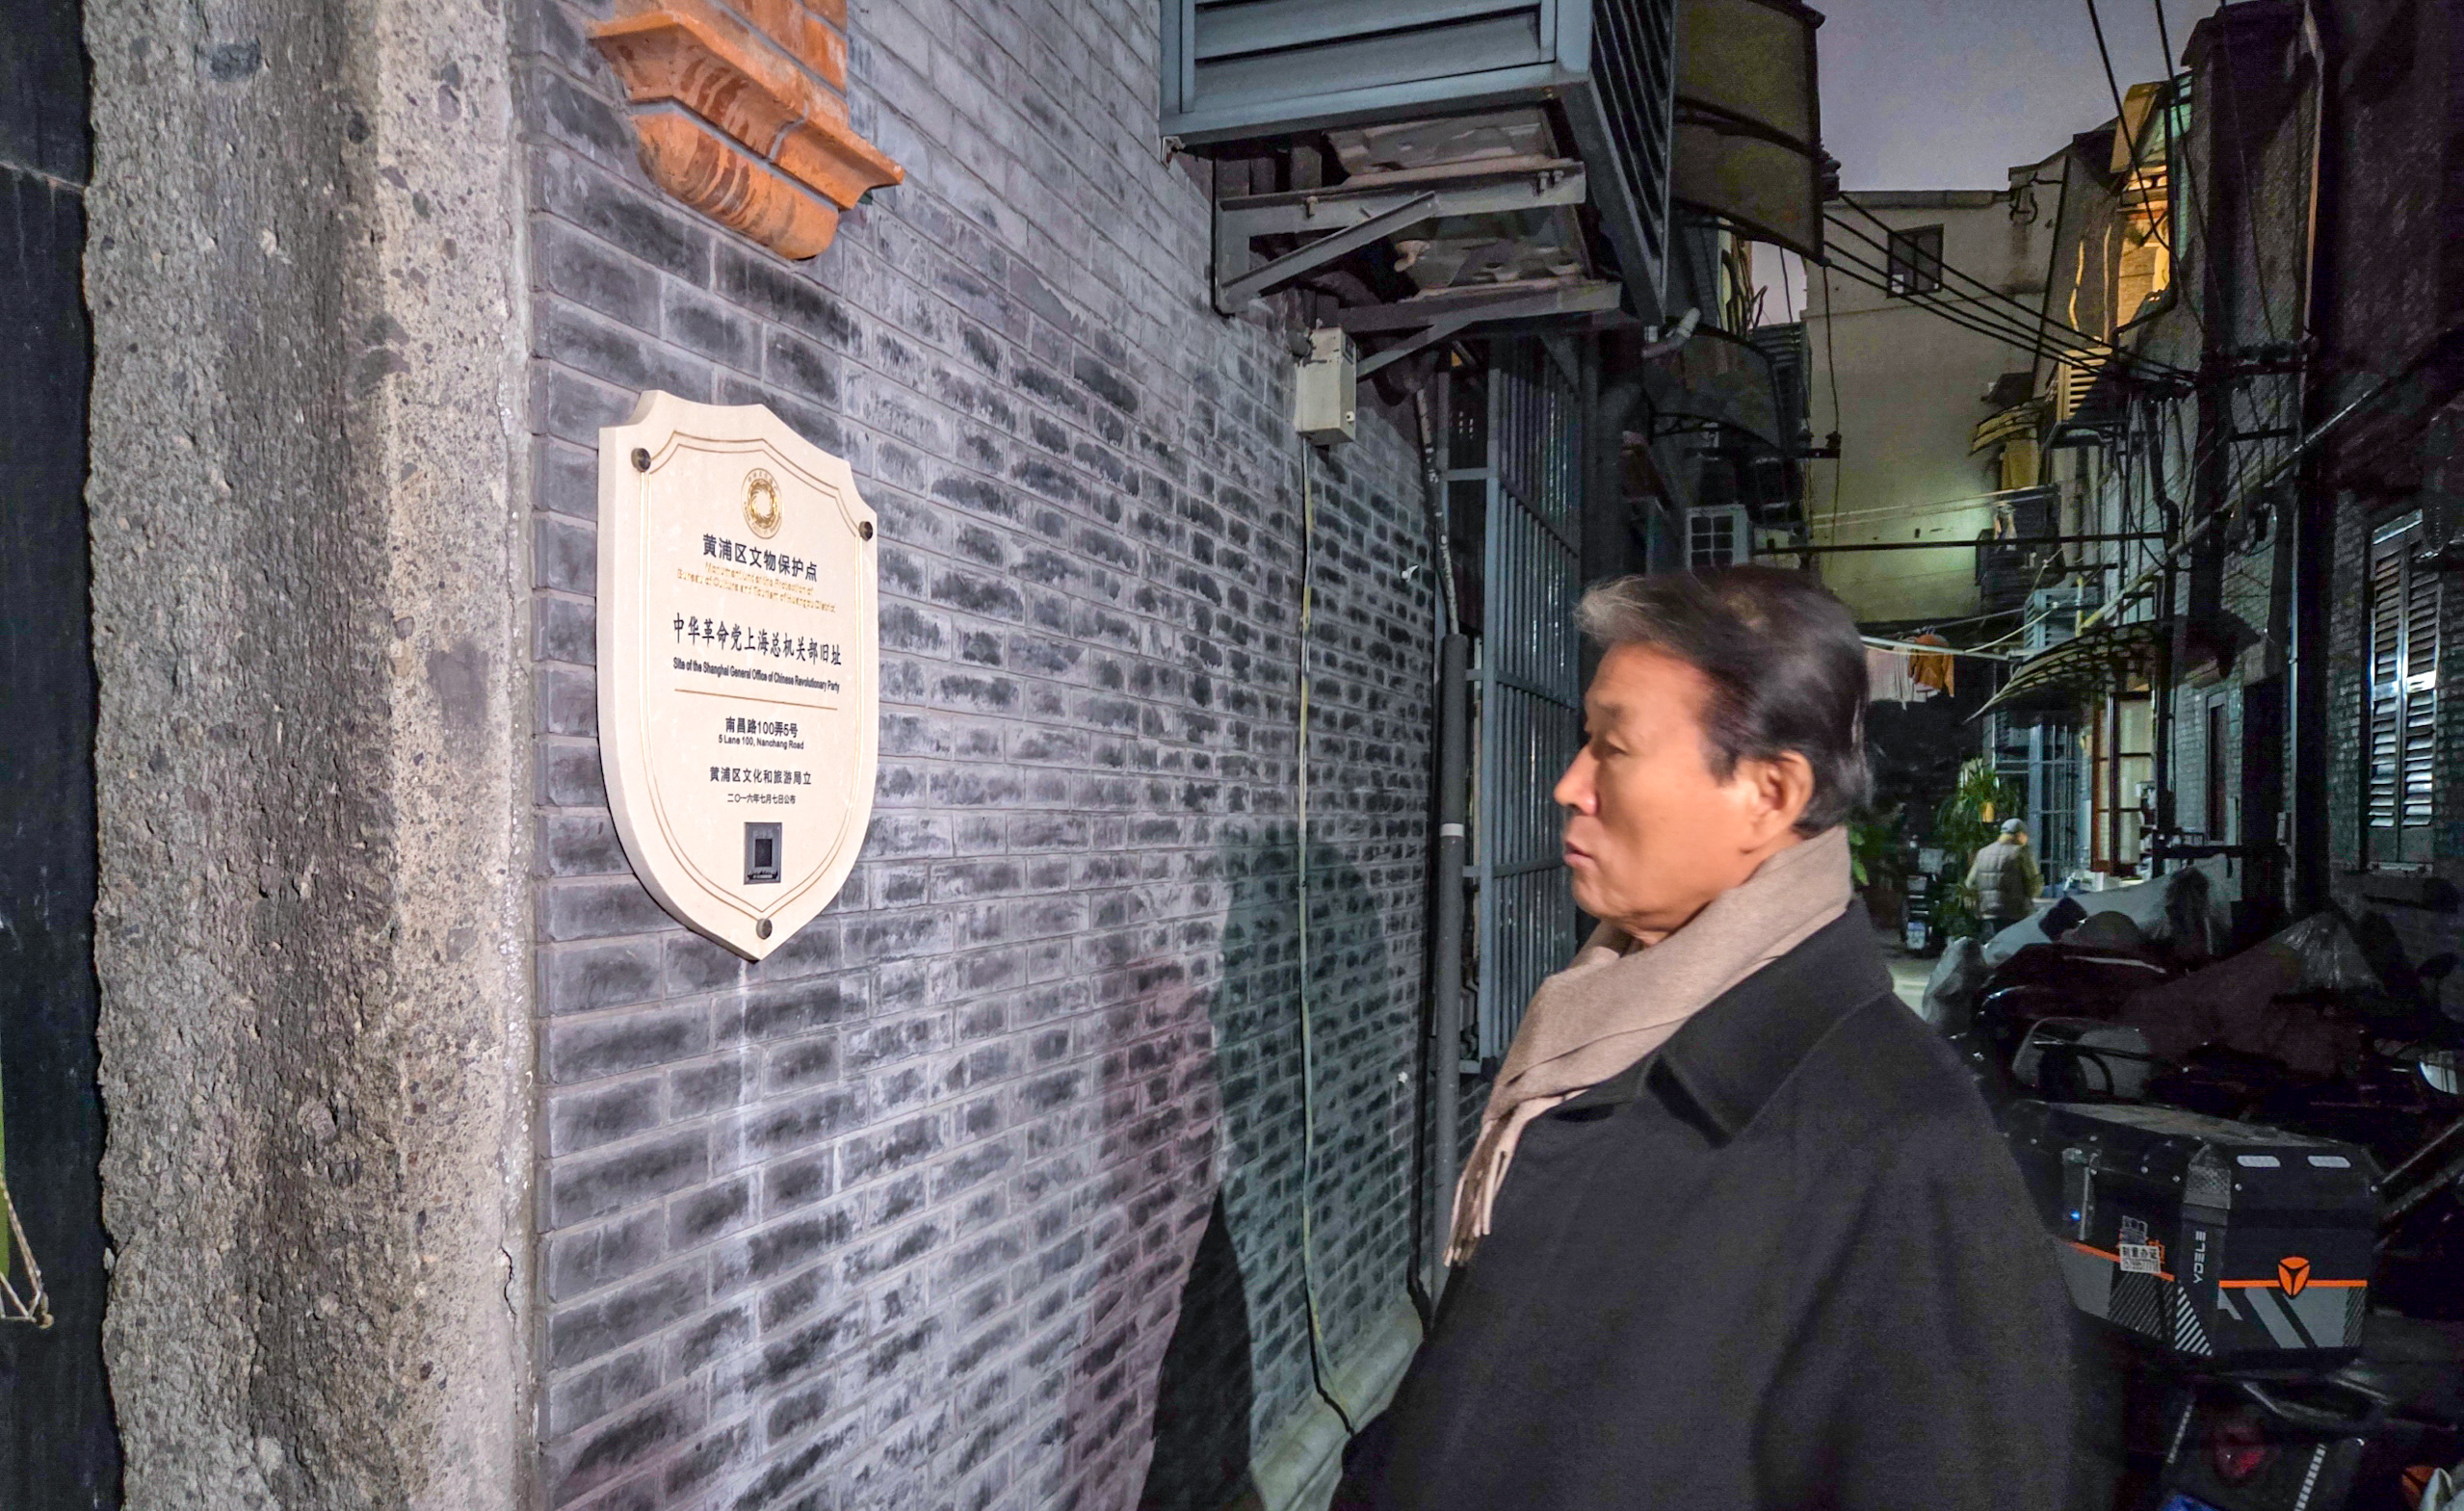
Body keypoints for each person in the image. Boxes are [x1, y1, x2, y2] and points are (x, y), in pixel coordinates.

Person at [1337, 567, 2072, 1511]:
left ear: (1767, 792)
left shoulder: (1900, 1149)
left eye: (1613, 747)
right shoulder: (1599, 1028)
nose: (1570, 786)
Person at [1967, 816, 2044, 935]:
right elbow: (2033, 883)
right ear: (2020, 835)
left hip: (1988, 914)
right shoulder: (2020, 852)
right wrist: (2032, 898)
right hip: (2015, 915)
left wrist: (1978, 907)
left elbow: (1970, 884)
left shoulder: (1983, 852)